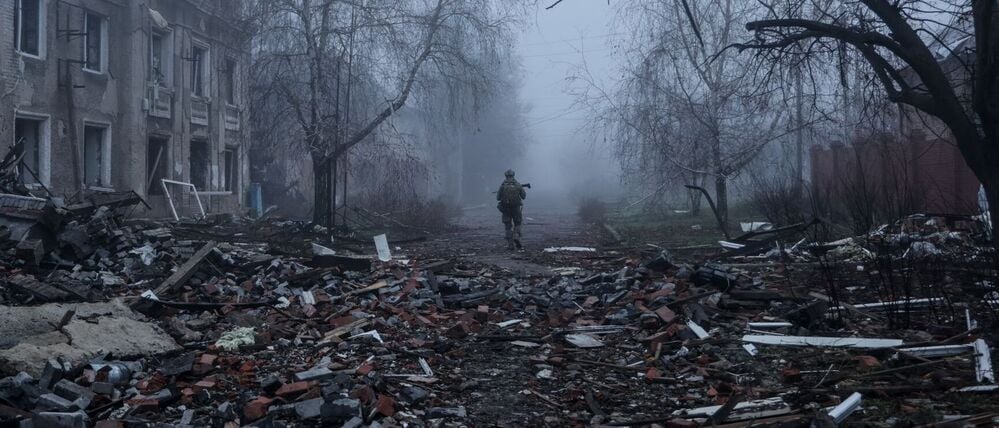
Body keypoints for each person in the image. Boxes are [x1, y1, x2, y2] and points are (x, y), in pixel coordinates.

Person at [496, 169, 527, 250]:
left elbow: (498, 198)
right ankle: (516, 236)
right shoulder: (518, 185)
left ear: (505, 176)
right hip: (516, 208)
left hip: (506, 209)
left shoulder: (503, 185)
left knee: (508, 226)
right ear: (513, 175)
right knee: (518, 223)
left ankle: (510, 245)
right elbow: (524, 196)